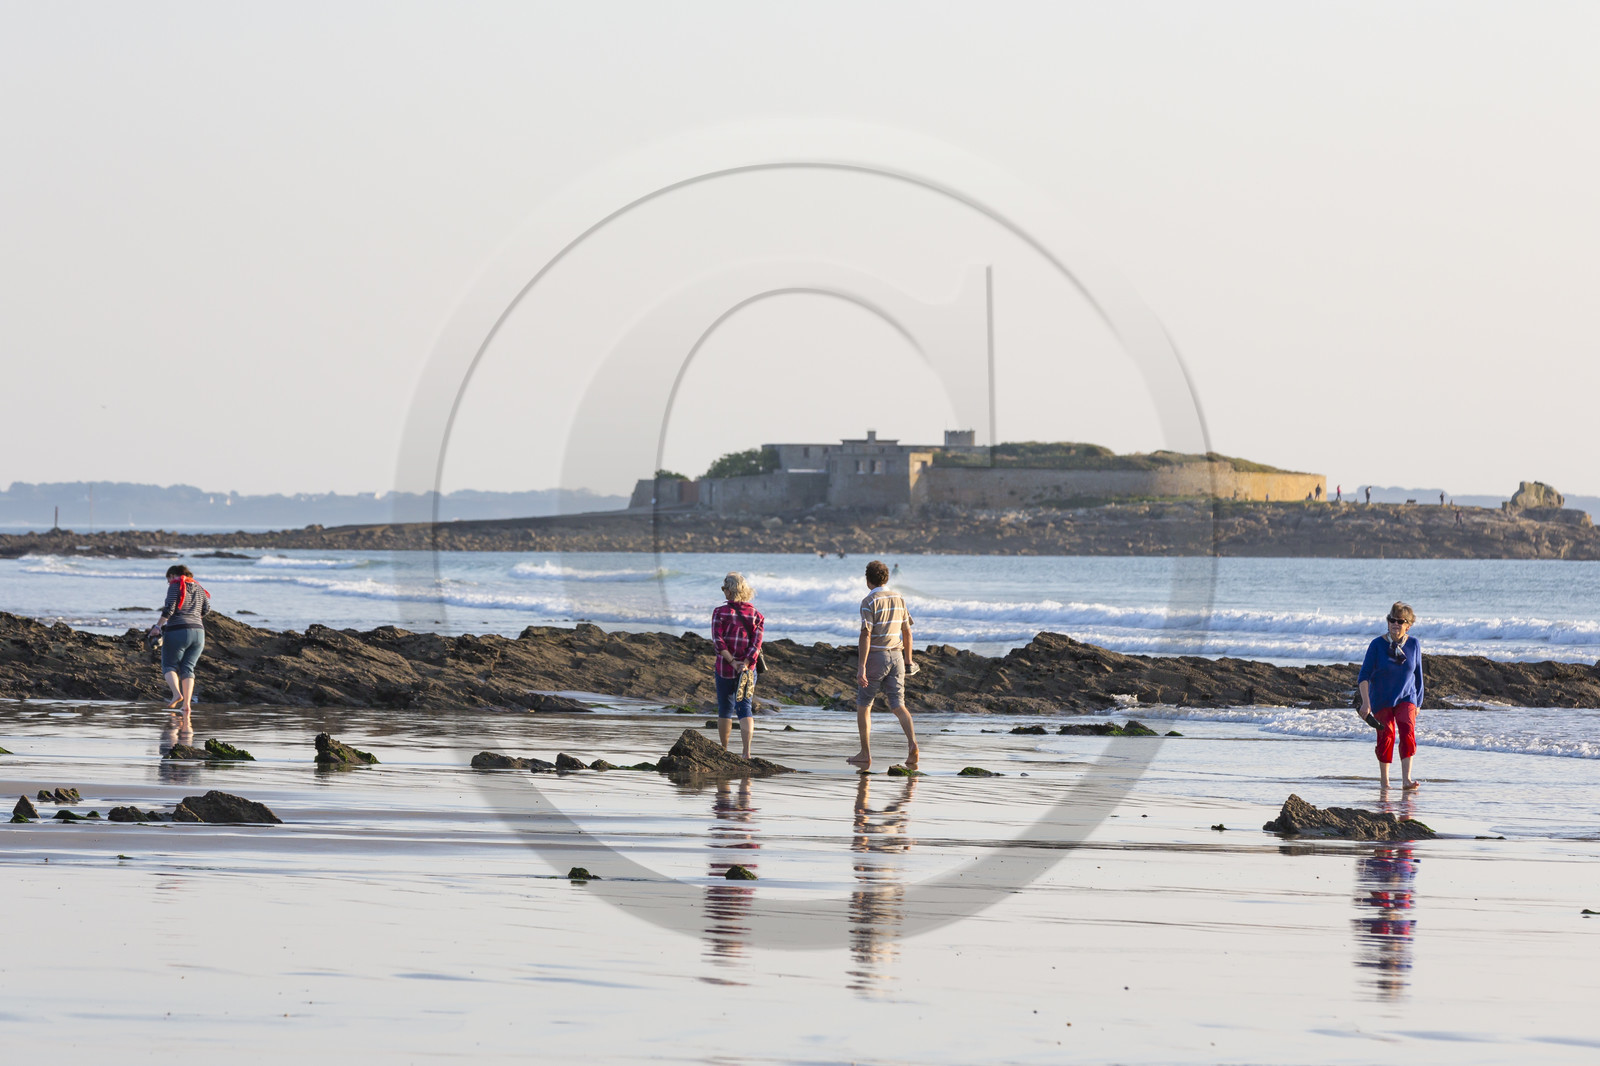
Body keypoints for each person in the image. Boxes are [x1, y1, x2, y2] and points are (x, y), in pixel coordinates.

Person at [847, 559, 918, 771]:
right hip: (897, 657)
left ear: (867, 580)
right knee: (898, 705)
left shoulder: (869, 601)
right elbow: (907, 631)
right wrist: (908, 660)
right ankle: (913, 744)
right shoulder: (899, 597)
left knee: (864, 705)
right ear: (886, 578)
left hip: (876, 658)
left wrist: (861, 666)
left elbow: (866, 634)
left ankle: (865, 754)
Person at [1357, 601, 1424, 791]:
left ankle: (1406, 780)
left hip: (1407, 696)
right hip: (1381, 698)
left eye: (1400, 621)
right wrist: (1366, 703)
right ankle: (1385, 782)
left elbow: (1418, 675)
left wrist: (1418, 703)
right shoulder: (1377, 645)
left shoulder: (1414, 644)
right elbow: (1364, 676)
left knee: (1407, 729)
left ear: (1408, 625)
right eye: (1392, 620)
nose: (1395, 624)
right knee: (1386, 735)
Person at [150, 564, 211, 730]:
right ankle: (186, 705)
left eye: (168, 579)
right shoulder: (199, 588)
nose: (168, 582)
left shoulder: (175, 585)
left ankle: (176, 694)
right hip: (199, 633)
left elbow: (169, 608)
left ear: (173, 575)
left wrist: (157, 627)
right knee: (188, 668)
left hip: (177, 630)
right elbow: (206, 609)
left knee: (169, 665)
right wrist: (194, 617)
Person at [710, 572, 763, 759]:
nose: (723, 591)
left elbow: (718, 642)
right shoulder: (756, 615)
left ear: (729, 590)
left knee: (725, 708)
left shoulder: (720, 612)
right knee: (745, 708)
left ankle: (724, 750)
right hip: (747, 670)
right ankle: (746, 752)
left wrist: (732, 662)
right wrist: (745, 663)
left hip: (725, 668)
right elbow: (756, 645)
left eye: (724, 588)